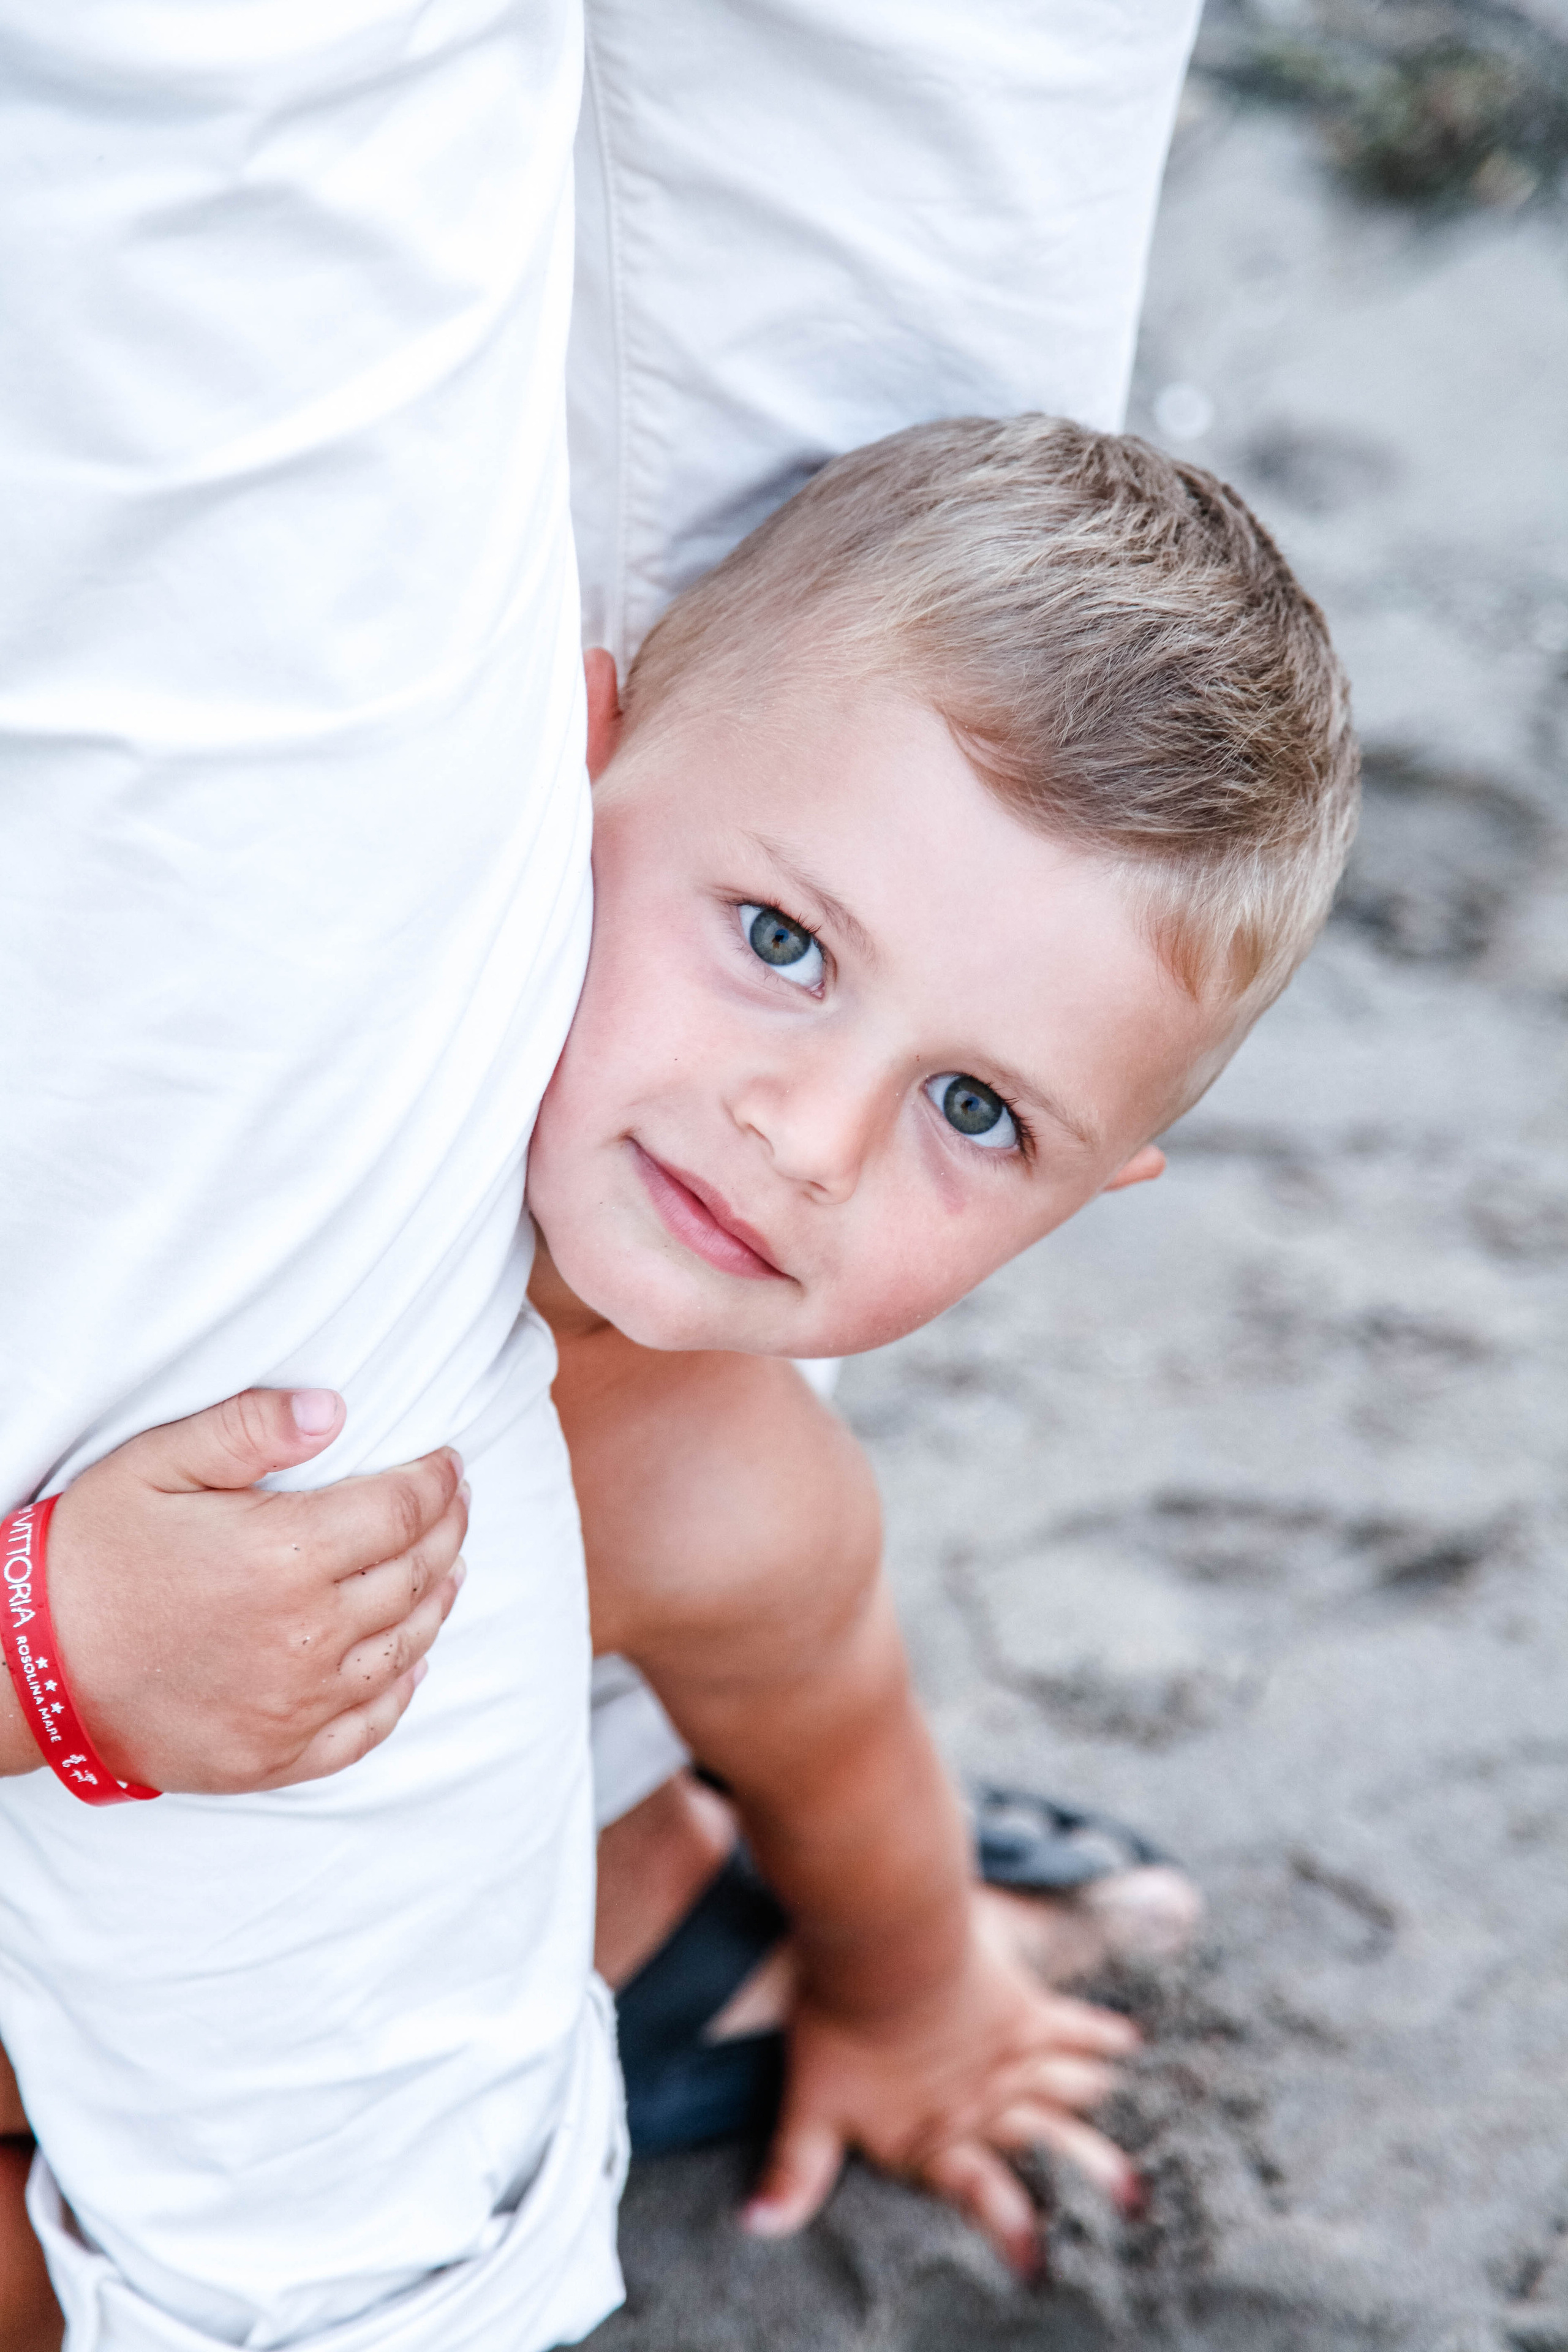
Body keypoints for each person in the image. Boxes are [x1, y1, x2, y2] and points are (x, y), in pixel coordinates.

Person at [1, 414, 1357, 2345]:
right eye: (781, 941)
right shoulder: (106, 1167)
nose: (808, 1138)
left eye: (977, 1110)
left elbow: (844, 1745)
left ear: (1088, 1190)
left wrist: (915, 1997)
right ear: (573, 758)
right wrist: (53, 1651)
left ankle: (656, 1912)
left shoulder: (720, 1484)